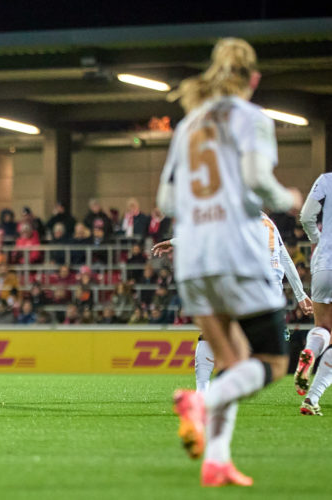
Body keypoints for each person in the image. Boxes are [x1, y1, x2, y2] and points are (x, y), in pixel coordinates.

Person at [156, 38, 302, 487]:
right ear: (253, 79)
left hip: (194, 259)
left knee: (233, 360)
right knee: (273, 363)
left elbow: (165, 198)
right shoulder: (253, 119)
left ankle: (216, 460)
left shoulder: (189, 123)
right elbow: (259, 182)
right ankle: (202, 401)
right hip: (237, 253)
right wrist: (288, 199)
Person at [154, 211, 313, 393]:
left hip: (245, 283)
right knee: (274, 363)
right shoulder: (268, 222)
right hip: (271, 294)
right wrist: (300, 295)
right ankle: (310, 349)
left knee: (215, 335)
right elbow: (284, 258)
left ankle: (205, 393)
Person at [295, 169, 332, 415]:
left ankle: (310, 351)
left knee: (323, 327)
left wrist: (317, 239)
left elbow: (306, 215)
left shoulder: (326, 179)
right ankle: (312, 397)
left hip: (324, 262)